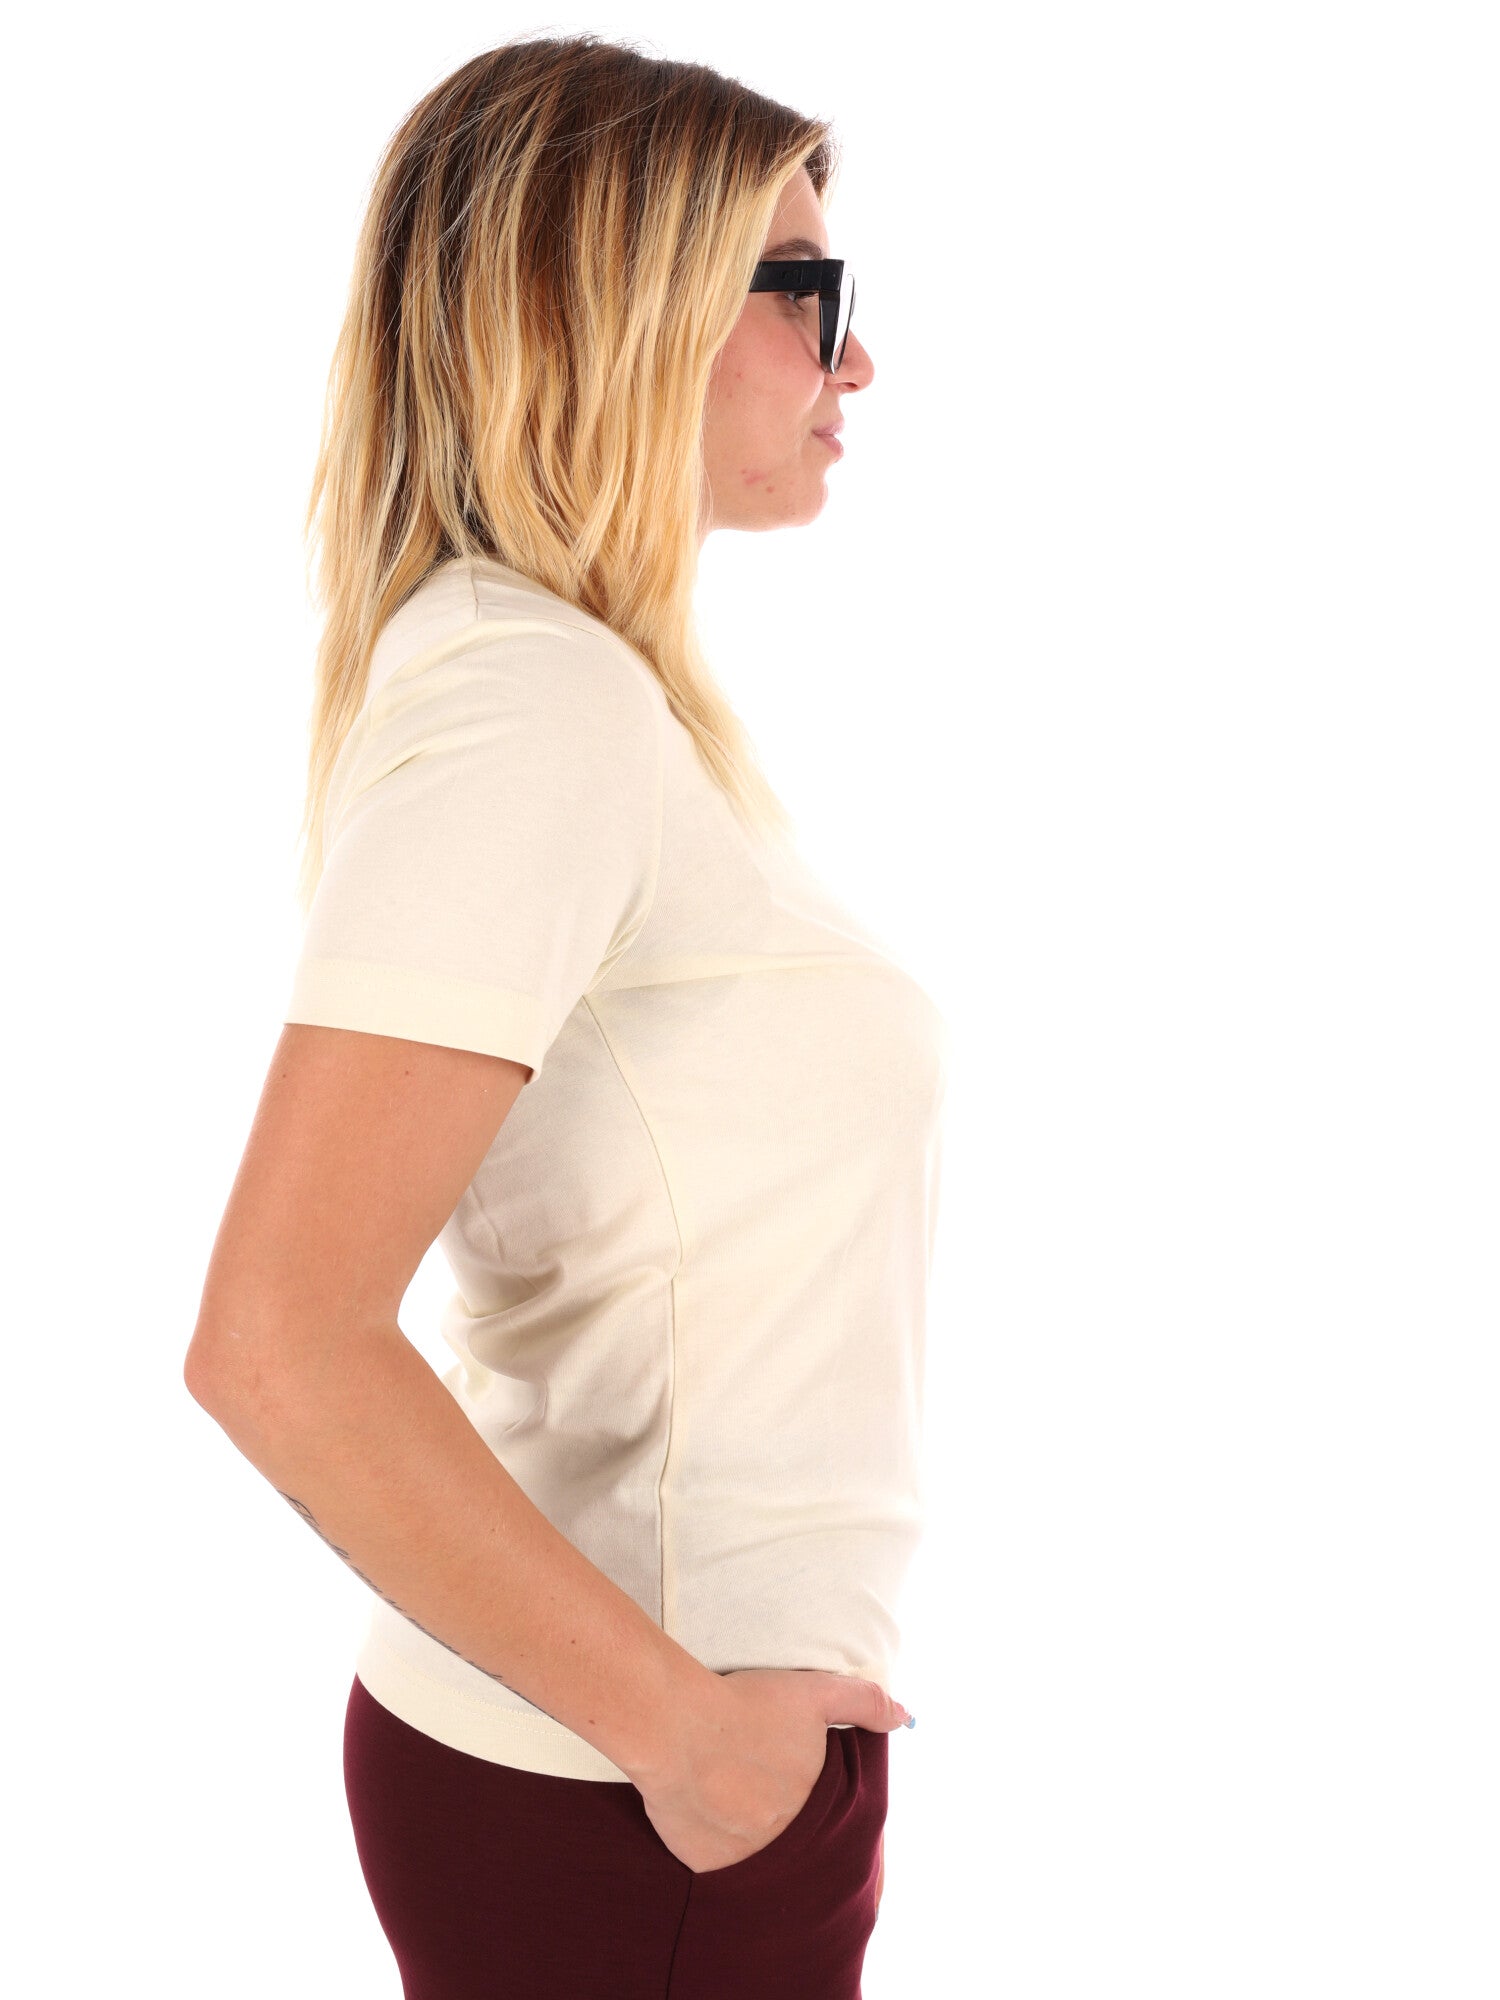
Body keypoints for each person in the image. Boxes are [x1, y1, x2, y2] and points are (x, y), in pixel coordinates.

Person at [184, 31, 947, 2000]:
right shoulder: (532, 705)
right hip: (636, 1790)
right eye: (806, 291)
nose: (857, 359)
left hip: (661, 1777)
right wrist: (700, 1746)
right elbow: (277, 1338)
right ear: (606, 305)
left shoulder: (583, 699)